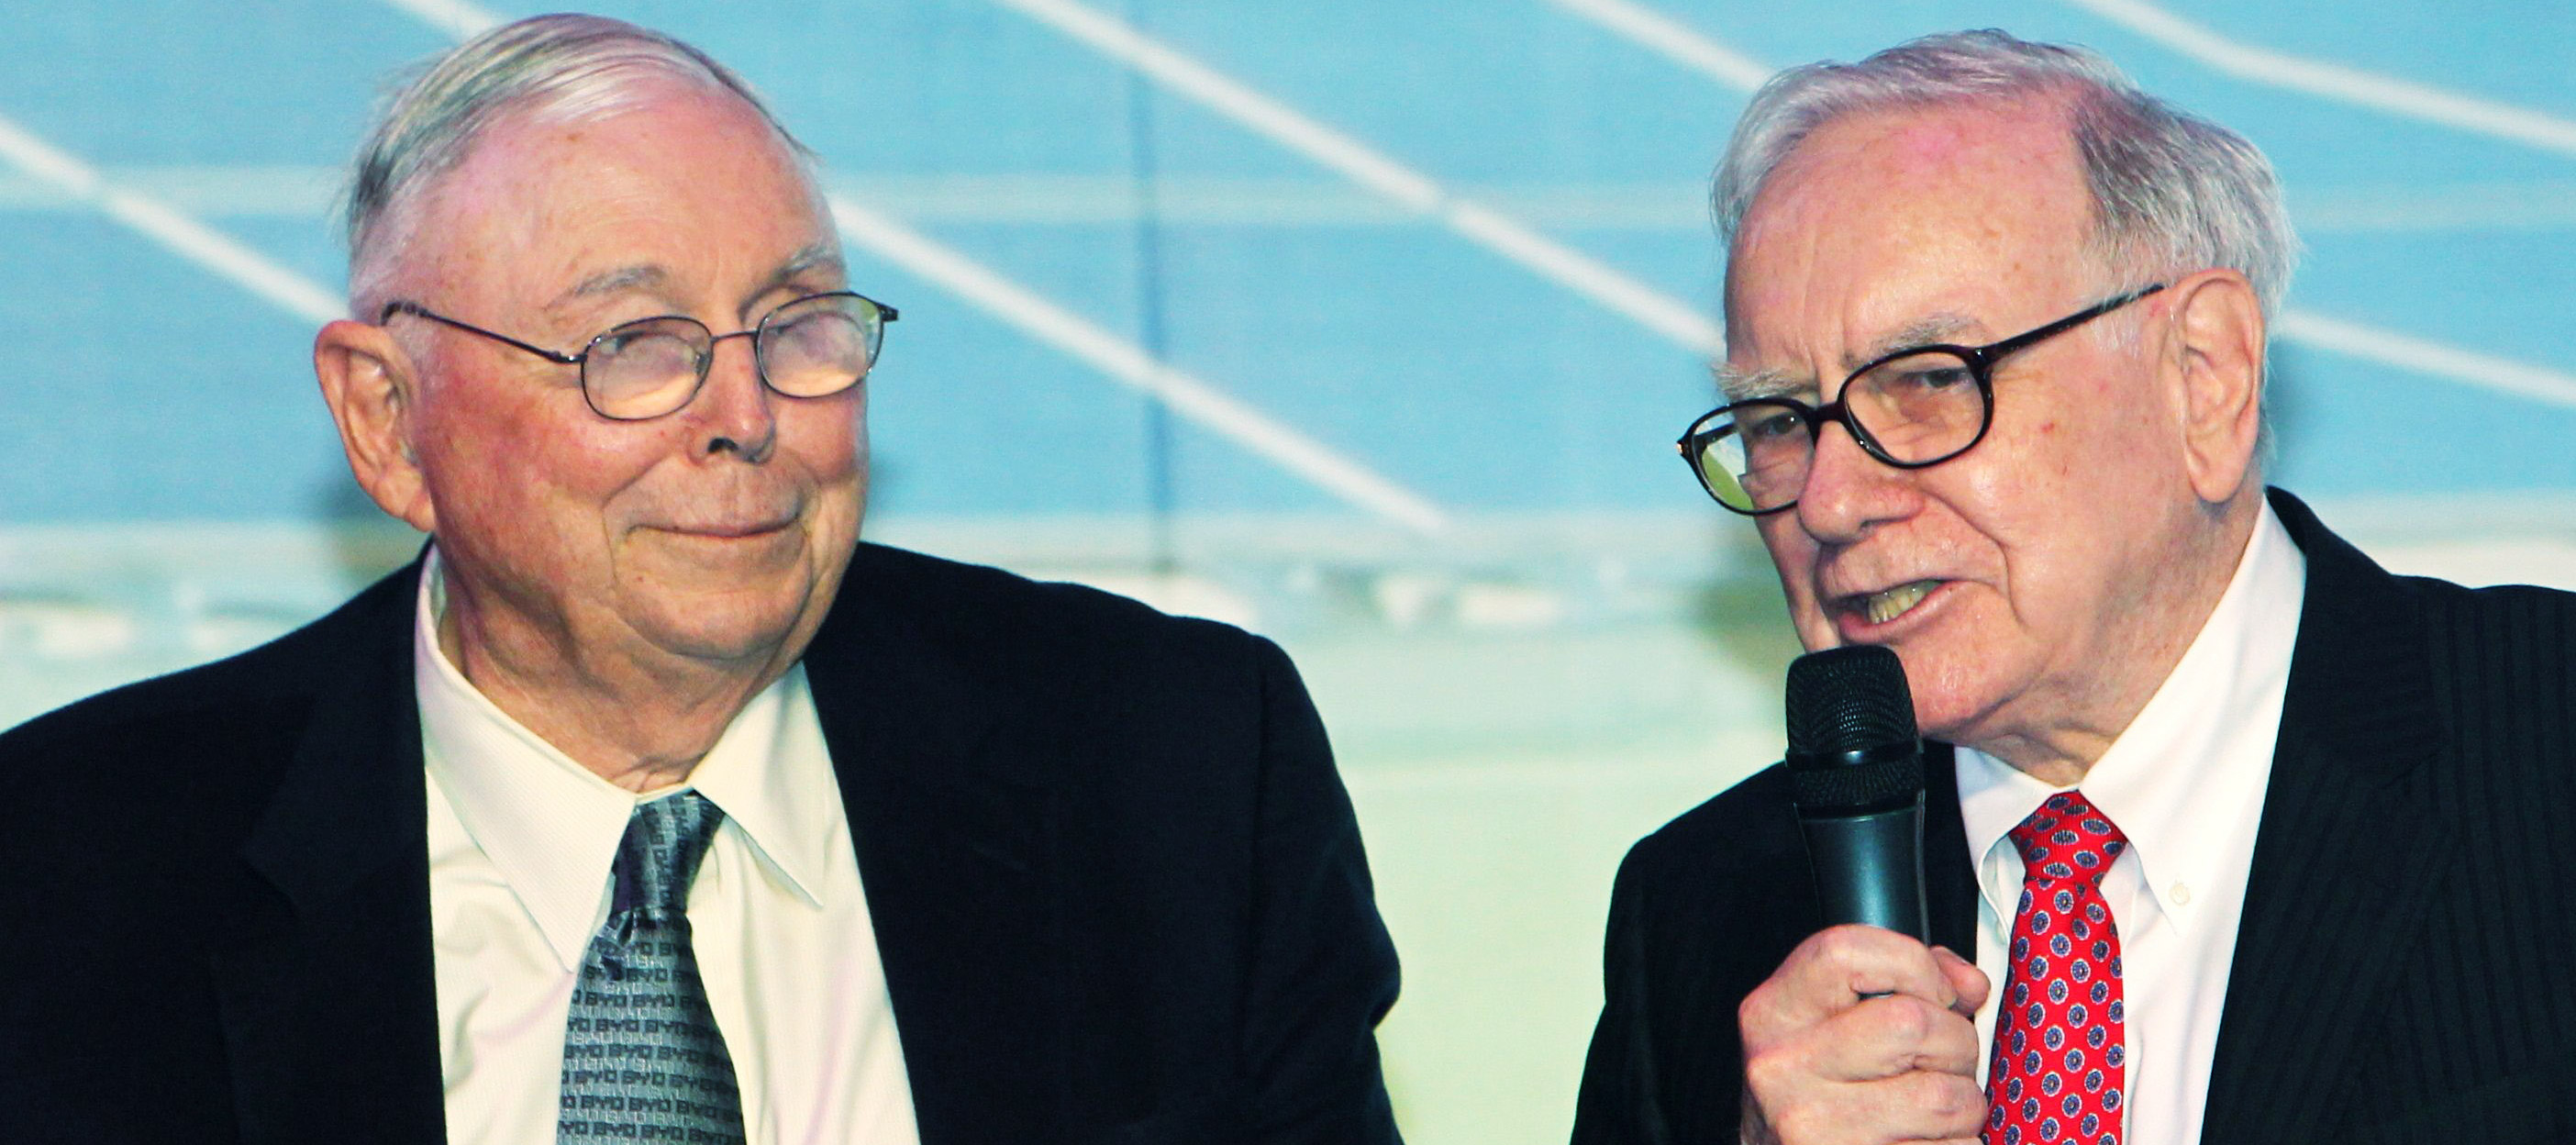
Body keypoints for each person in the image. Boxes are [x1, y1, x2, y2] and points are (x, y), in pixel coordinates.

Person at [0, 15, 1401, 1145]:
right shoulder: (72, 876)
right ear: (386, 419)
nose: (746, 412)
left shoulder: (1175, 769)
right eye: (636, 343)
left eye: (796, 325)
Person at [1572, 28, 2576, 1145]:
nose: (1829, 501)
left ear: (2204, 378)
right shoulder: (1706, 910)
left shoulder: (2546, 757)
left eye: (1925, 383)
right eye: (1775, 421)